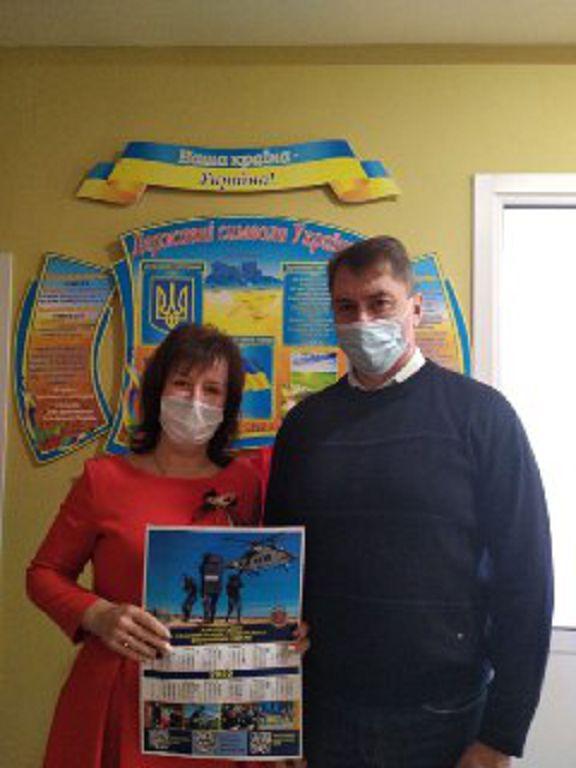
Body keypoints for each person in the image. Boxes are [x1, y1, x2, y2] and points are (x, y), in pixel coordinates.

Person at [265, 236, 553, 768]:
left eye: (380, 303)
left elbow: (527, 578)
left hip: (446, 719)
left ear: (416, 308)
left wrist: (501, 735)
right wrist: (278, 719)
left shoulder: (483, 417)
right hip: (326, 715)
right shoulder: (304, 428)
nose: (363, 321)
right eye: (346, 307)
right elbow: (278, 575)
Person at [27, 323, 262, 768]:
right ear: (156, 392)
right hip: (119, 691)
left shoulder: (247, 483)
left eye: (212, 390)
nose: (194, 400)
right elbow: (43, 574)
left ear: (227, 406)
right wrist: (97, 614)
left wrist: (286, 631)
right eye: (182, 383)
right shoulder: (104, 479)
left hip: (216, 695)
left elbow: (265, 578)